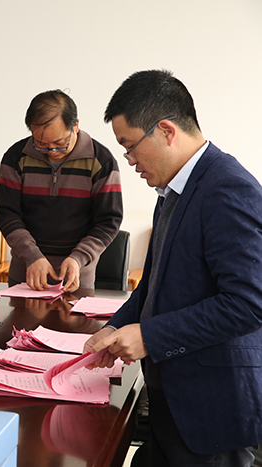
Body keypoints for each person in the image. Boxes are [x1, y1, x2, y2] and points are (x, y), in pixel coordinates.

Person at [85, 70, 262, 466]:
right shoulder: (172, 190)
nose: (130, 161)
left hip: (211, 408)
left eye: (130, 147)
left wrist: (150, 336)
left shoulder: (227, 188)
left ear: (166, 130)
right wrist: (115, 327)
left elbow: (249, 303)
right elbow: (153, 284)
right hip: (170, 394)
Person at [0, 90, 123, 291]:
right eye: (41, 144)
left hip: (77, 278)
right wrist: (32, 256)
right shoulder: (16, 158)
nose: (51, 151)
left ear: (75, 126)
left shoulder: (101, 161)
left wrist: (78, 258)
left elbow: (109, 221)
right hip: (26, 274)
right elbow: (6, 214)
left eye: (60, 143)